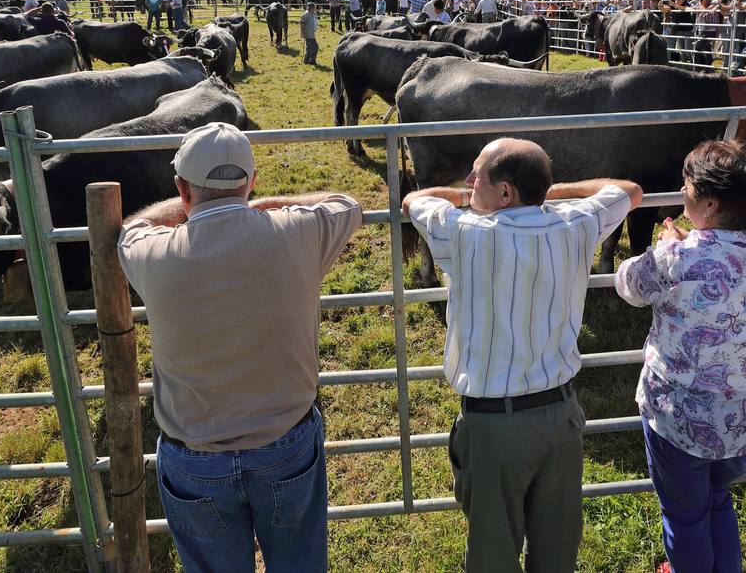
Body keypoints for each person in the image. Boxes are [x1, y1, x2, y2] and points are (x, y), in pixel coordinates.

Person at [117, 122, 362, 573]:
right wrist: (265, 206)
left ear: (181, 189)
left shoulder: (151, 254)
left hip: (195, 455)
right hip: (285, 442)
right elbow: (346, 204)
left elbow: (135, 225)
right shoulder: (298, 234)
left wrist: (198, 205)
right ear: (252, 182)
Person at [403, 139, 640, 573]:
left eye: (477, 175)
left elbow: (413, 199)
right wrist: (553, 192)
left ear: (506, 192)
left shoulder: (463, 231)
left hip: (495, 424)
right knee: (556, 553)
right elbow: (629, 190)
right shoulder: (578, 223)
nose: (469, 182)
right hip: (561, 417)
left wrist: (463, 200)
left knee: (493, 555)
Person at [615, 139, 746, 573]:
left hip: (682, 422)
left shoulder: (677, 257)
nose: (682, 189)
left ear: (710, 203)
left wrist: (668, 246)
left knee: (685, 516)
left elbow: (628, 285)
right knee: (717, 497)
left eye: (688, 185)